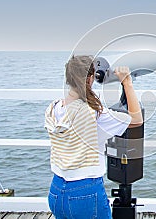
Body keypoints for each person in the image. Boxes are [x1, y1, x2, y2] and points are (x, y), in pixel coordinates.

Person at [44, 55, 143, 219]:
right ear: (90, 78)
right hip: (84, 193)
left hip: (56, 191)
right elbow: (136, 120)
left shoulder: (53, 108)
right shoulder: (94, 114)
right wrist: (127, 82)